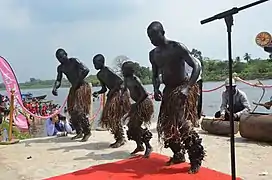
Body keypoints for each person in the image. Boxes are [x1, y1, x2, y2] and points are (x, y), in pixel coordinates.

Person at [147, 21, 205, 174]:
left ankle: (195, 158)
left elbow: (196, 66)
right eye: (149, 37)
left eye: (154, 35)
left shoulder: (177, 47)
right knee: (166, 125)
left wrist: (187, 88)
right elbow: (154, 75)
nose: (152, 40)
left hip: (182, 87)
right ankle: (178, 154)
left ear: (163, 32)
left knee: (181, 122)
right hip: (168, 90)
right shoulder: (153, 54)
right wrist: (156, 89)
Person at [52, 48, 92, 142]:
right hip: (73, 88)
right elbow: (58, 80)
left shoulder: (74, 61)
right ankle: (79, 131)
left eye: (62, 56)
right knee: (71, 111)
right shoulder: (60, 68)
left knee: (79, 109)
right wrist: (55, 87)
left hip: (82, 86)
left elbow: (86, 70)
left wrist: (78, 81)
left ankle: (87, 131)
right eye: (58, 58)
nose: (61, 59)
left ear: (66, 54)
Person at [92, 54, 130, 148]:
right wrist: (98, 92)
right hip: (112, 95)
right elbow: (104, 89)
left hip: (119, 94)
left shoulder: (108, 70)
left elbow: (121, 81)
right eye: (93, 63)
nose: (94, 65)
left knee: (114, 116)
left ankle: (120, 138)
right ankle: (119, 137)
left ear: (101, 62)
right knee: (109, 117)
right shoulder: (99, 75)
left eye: (96, 63)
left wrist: (113, 91)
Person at [121, 61, 154, 158]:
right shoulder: (126, 79)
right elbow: (124, 88)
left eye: (124, 70)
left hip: (143, 104)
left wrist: (136, 104)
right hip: (136, 104)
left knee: (136, 125)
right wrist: (121, 96)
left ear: (130, 71)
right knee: (131, 127)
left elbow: (145, 94)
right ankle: (139, 146)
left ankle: (148, 146)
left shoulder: (136, 79)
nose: (122, 72)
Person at [185, 56, 203, 126]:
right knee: (188, 101)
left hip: (197, 81)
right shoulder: (183, 61)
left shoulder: (196, 61)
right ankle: (189, 118)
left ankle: (197, 118)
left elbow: (198, 71)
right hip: (187, 81)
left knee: (197, 100)